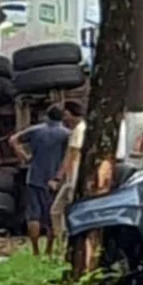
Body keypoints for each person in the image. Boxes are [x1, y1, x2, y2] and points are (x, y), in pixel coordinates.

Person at [9, 105, 70, 257]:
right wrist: (59, 176)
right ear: (62, 117)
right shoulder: (67, 134)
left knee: (33, 215)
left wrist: (23, 155)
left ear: (46, 116)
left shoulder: (36, 130)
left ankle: (35, 250)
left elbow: (13, 140)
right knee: (52, 215)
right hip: (55, 180)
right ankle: (49, 249)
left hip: (34, 177)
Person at [49, 101, 86, 243]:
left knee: (64, 210)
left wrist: (62, 178)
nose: (64, 118)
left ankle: (66, 241)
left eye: (65, 114)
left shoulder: (79, 130)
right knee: (56, 211)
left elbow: (72, 155)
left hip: (74, 177)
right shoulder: (79, 129)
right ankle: (62, 242)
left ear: (71, 114)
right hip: (72, 177)